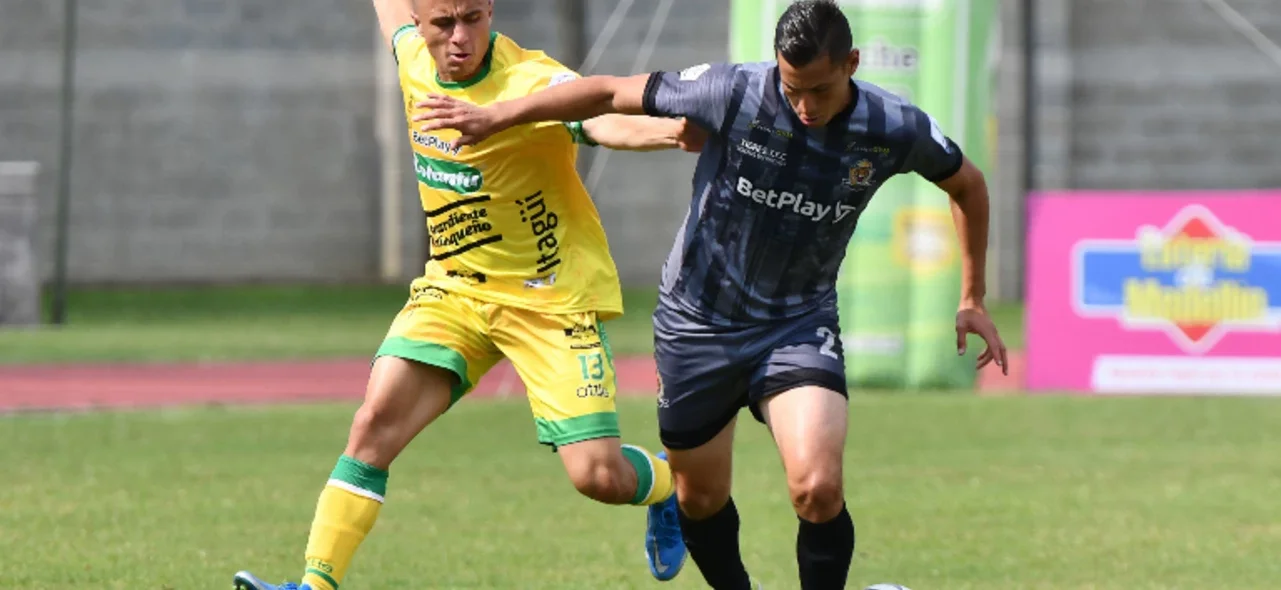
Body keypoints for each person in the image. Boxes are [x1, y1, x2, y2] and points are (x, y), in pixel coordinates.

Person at [412, 1, 1010, 588]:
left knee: (817, 487)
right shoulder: (733, 92)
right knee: (699, 498)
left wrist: (973, 296)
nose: (802, 106)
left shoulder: (892, 126)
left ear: (851, 63)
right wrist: (500, 116)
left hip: (796, 323)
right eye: (791, 87)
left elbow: (969, 185)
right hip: (695, 323)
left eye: (819, 92)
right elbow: (604, 92)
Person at [231, 1, 705, 589]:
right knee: (373, 425)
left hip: (549, 301)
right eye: (443, 24)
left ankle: (667, 488)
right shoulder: (412, 57)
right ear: (421, 24)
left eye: (474, 18)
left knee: (598, 478)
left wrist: (668, 132)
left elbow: (601, 113)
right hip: (454, 292)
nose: (460, 37)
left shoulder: (530, 80)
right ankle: (314, 585)